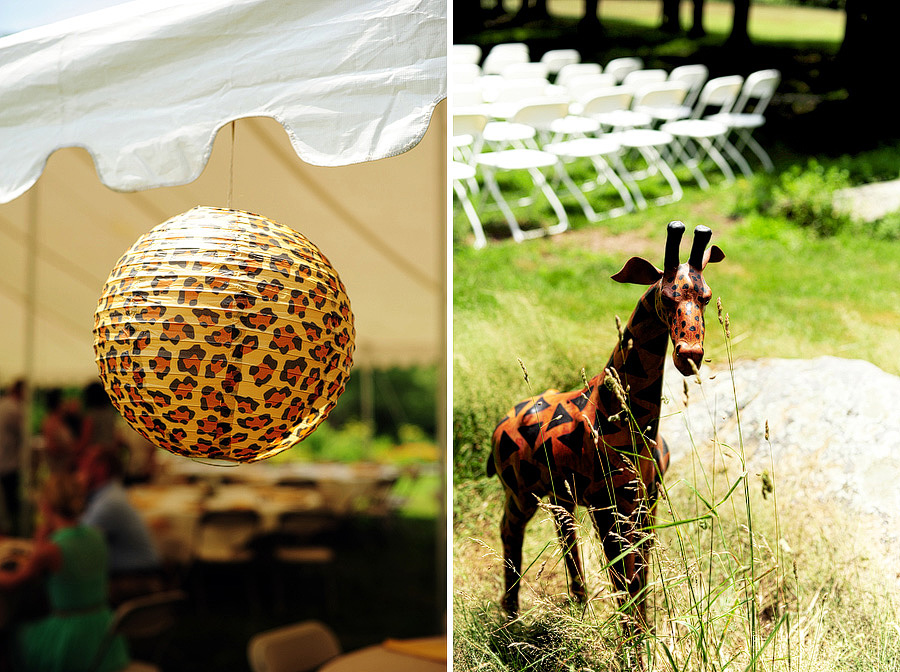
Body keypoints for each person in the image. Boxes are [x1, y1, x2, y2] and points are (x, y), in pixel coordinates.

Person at [0, 472, 129, 672]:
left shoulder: (51, 550)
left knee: (12, 634)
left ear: (45, 507)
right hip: (104, 632)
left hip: (69, 639)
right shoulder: (97, 536)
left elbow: (13, 581)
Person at [79, 446, 164, 604]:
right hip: (136, 575)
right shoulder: (109, 494)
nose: (80, 470)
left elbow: (75, 542)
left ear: (101, 469)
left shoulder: (109, 502)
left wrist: (76, 492)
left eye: (85, 465)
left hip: (136, 582)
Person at [0, 380, 24, 536]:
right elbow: (23, 434)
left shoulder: (3, 404)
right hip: (9, 463)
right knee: (11, 503)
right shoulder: (15, 409)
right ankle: (13, 532)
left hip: (5, 460)